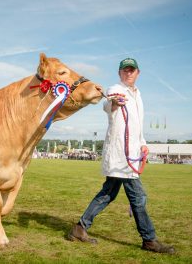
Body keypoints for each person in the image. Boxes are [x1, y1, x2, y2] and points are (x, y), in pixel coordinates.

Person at [68, 58, 175, 254]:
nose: (128, 73)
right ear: (120, 73)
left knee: (107, 194)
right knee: (138, 197)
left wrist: (143, 144)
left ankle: (79, 228)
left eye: (131, 70)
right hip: (120, 154)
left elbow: (137, 126)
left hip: (132, 154)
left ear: (138, 73)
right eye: (125, 70)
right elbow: (109, 105)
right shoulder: (114, 89)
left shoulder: (138, 95)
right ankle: (149, 240)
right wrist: (114, 103)